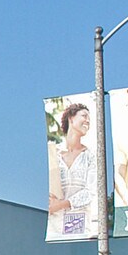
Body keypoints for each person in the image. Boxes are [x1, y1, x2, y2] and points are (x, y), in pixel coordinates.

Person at [47, 101, 95, 238]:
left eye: (89, 119)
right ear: (71, 118)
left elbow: (90, 192)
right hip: (54, 226)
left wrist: (61, 205)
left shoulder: (90, 156)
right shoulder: (54, 154)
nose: (87, 121)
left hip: (79, 224)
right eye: (84, 116)